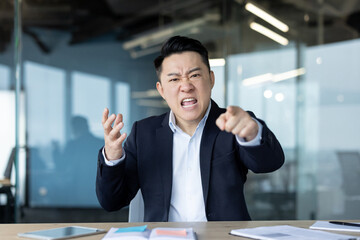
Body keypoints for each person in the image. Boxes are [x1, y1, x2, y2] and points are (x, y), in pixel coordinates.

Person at [96, 36, 284, 222]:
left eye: (194, 75)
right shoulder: (143, 133)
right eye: (174, 79)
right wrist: (112, 158)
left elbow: (270, 163)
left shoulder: (233, 124)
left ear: (211, 79)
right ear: (161, 90)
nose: (185, 86)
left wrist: (252, 133)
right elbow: (112, 201)